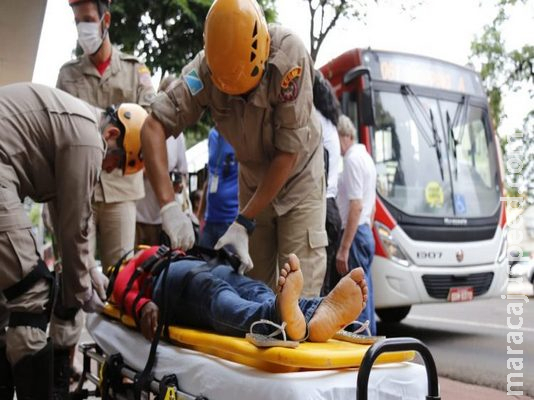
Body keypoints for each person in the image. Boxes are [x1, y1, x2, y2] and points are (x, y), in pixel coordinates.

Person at [141, 0, 327, 296]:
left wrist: (243, 220)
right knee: (253, 291)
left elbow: (287, 152)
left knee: (297, 292)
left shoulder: (289, 56)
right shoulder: (203, 71)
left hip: (298, 181)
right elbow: (152, 126)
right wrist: (168, 207)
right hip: (252, 181)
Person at [0, 82, 147, 399]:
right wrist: (80, 290)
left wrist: (81, 272)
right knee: (31, 293)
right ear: (112, 137)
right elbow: (76, 224)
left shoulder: (68, 125)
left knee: (3, 303)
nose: (108, 170)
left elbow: (60, 216)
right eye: (115, 164)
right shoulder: (89, 140)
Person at [57, 0, 156, 274]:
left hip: (122, 191)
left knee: (120, 278)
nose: (82, 28)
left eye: (88, 19)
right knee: (74, 277)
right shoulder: (67, 76)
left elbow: (150, 124)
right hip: (79, 190)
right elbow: (60, 130)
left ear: (106, 21)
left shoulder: (135, 71)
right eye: (77, 21)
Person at [113, 248, 367, 344]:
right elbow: (121, 290)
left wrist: (142, 304)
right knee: (228, 293)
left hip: (191, 271)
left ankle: (304, 312)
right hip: (177, 275)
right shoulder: (131, 266)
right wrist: (143, 305)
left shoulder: (143, 257)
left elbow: (123, 290)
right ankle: (304, 309)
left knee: (243, 292)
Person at [336, 115, 378, 335]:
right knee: (365, 296)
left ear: (344, 136)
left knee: (355, 298)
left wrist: (344, 248)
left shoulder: (352, 159)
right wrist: (366, 229)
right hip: (364, 232)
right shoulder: (366, 157)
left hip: (354, 234)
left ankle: (361, 356)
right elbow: (372, 205)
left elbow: (356, 205)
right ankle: (370, 350)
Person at [312, 71, 343, 296]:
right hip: (331, 210)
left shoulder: (314, 119)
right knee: (325, 285)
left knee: (315, 282)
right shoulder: (330, 124)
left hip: (320, 208)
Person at [198, 128, 239, 248]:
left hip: (231, 220)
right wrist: (199, 215)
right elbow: (210, 176)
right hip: (210, 220)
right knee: (202, 263)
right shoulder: (212, 135)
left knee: (229, 266)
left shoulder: (239, 136)